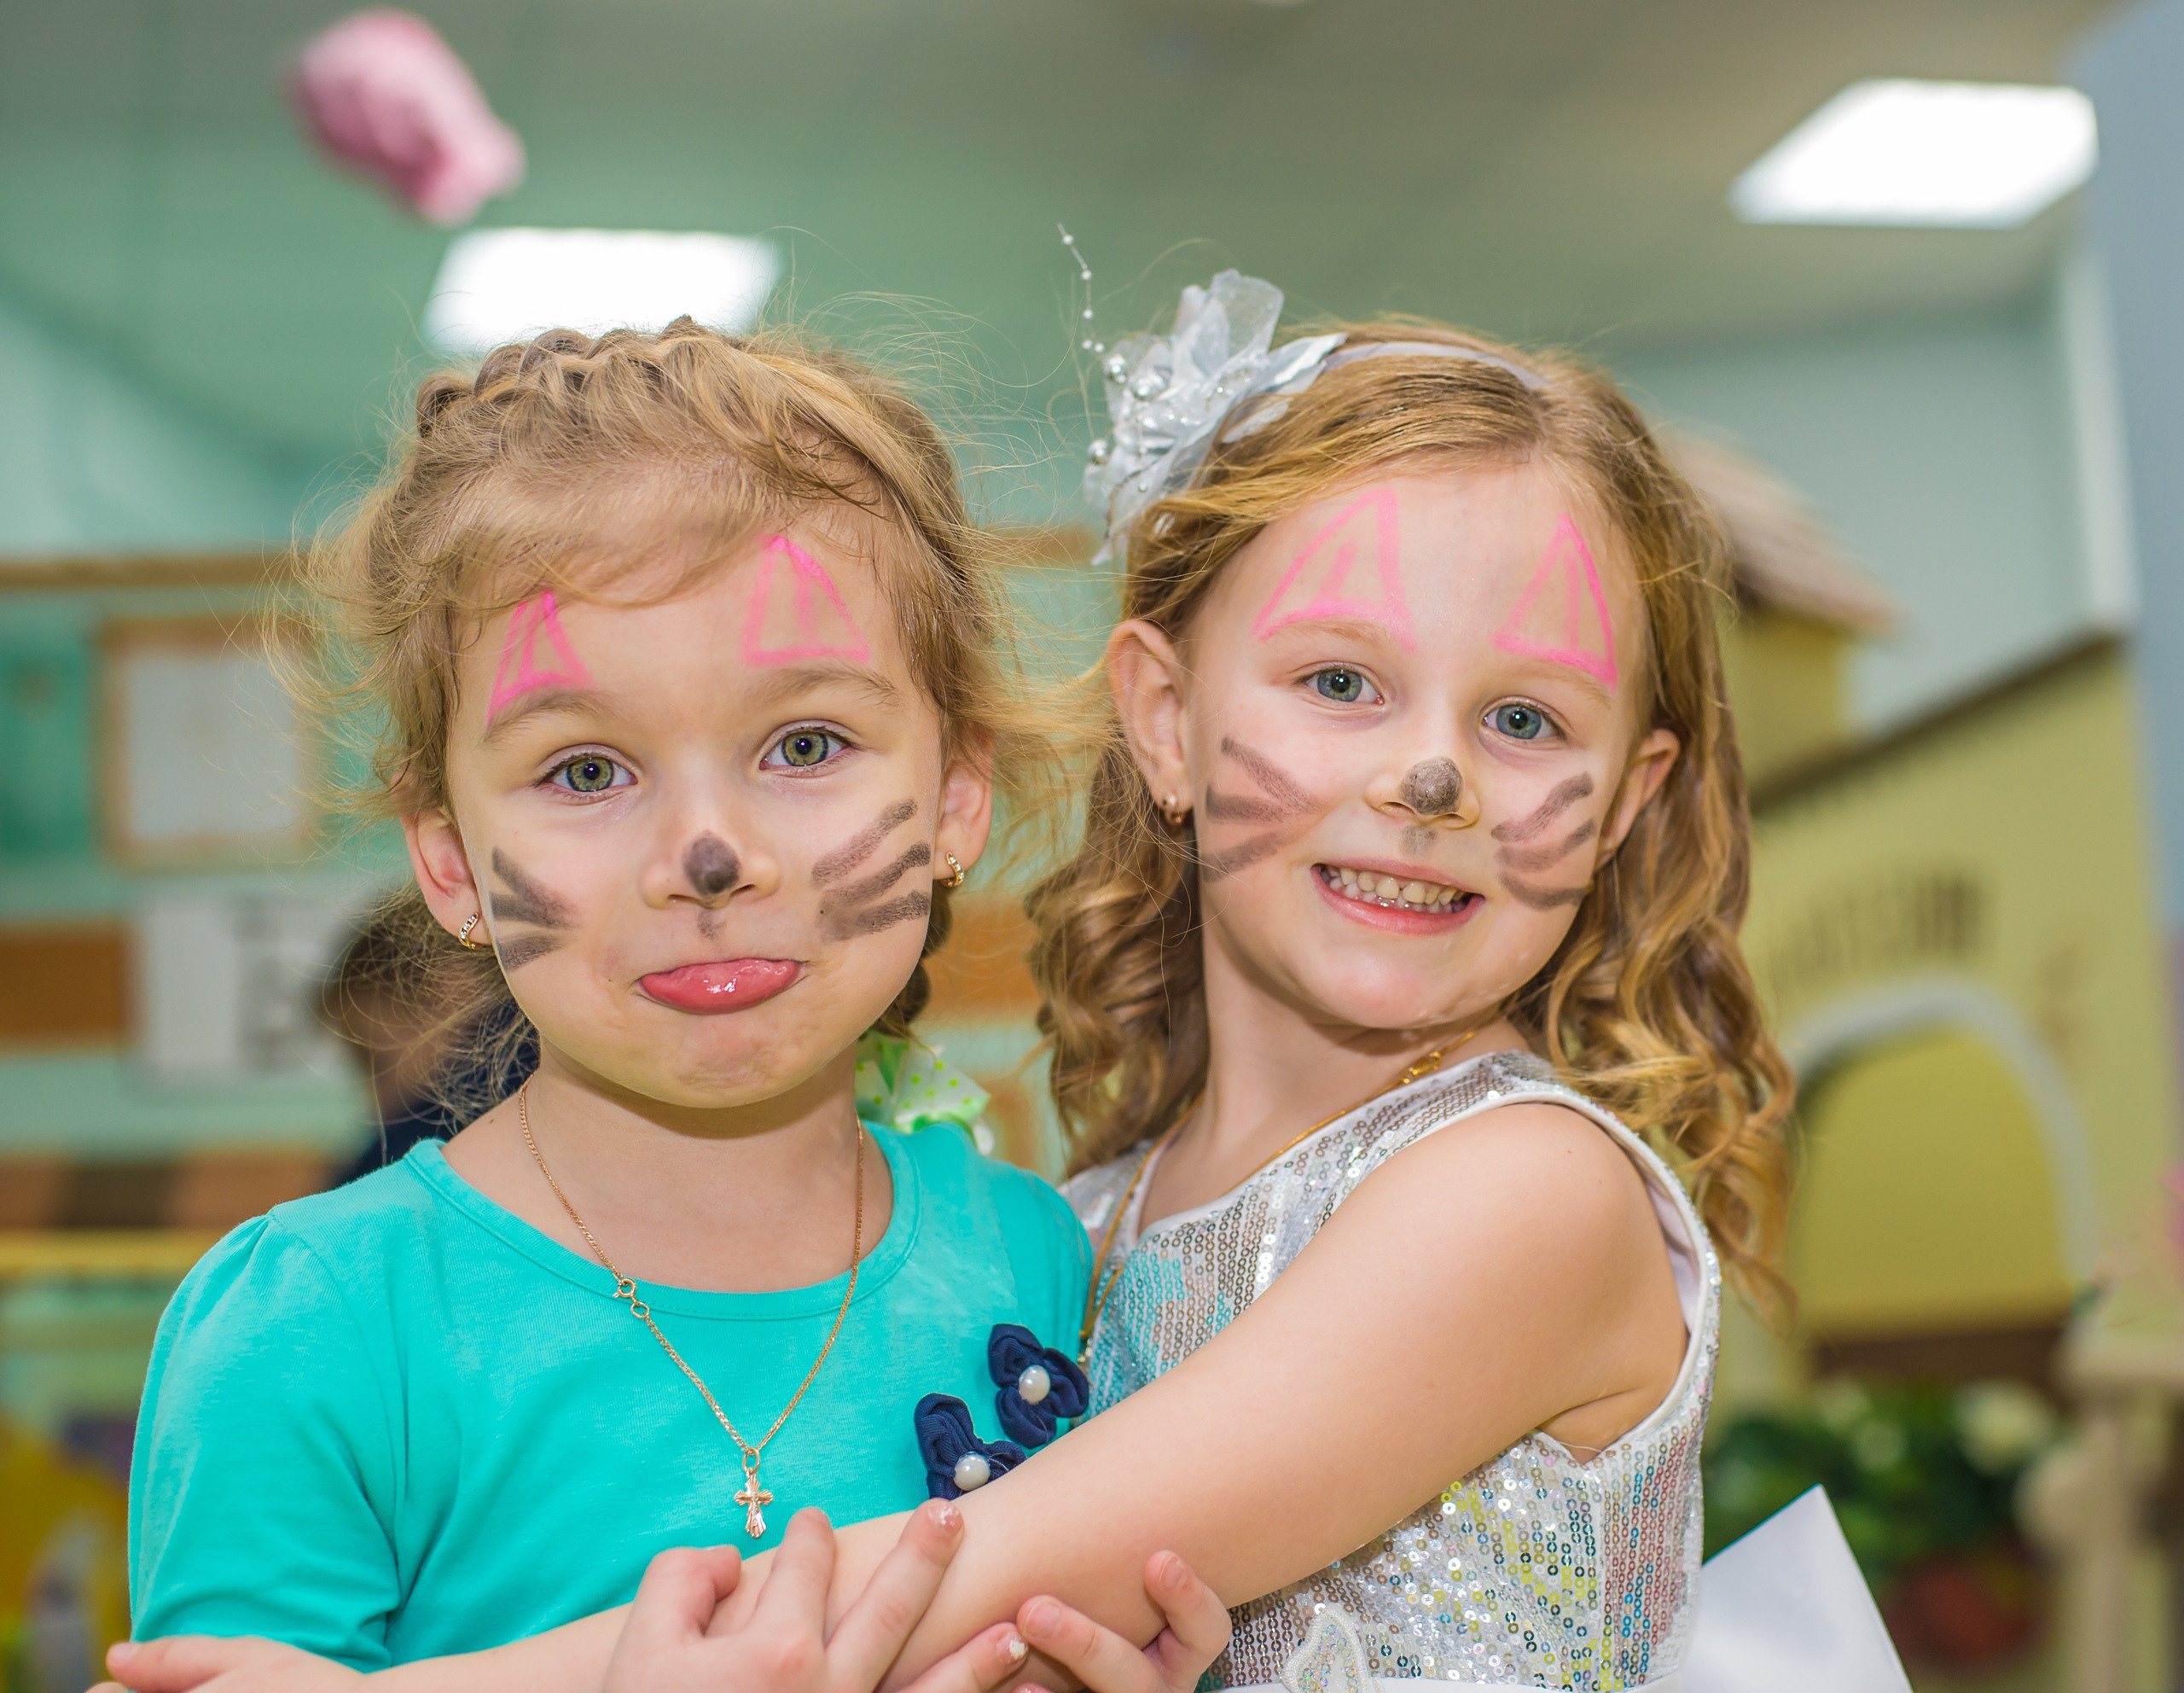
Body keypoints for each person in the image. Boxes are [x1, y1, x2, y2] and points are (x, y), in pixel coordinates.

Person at [116, 278, 1800, 1693]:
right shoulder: (1076, 1226)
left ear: (1631, 791)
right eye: (1342, 679)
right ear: (1159, 717)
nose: (1430, 778)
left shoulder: (1523, 1192)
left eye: (1521, 719)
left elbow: (971, 1571)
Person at [111, 318, 1228, 1690]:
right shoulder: (315, 1324)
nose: (708, 854)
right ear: (448, 856)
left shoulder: (1035, 1257)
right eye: (586, 770)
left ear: (954, 795)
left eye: (804, 744)